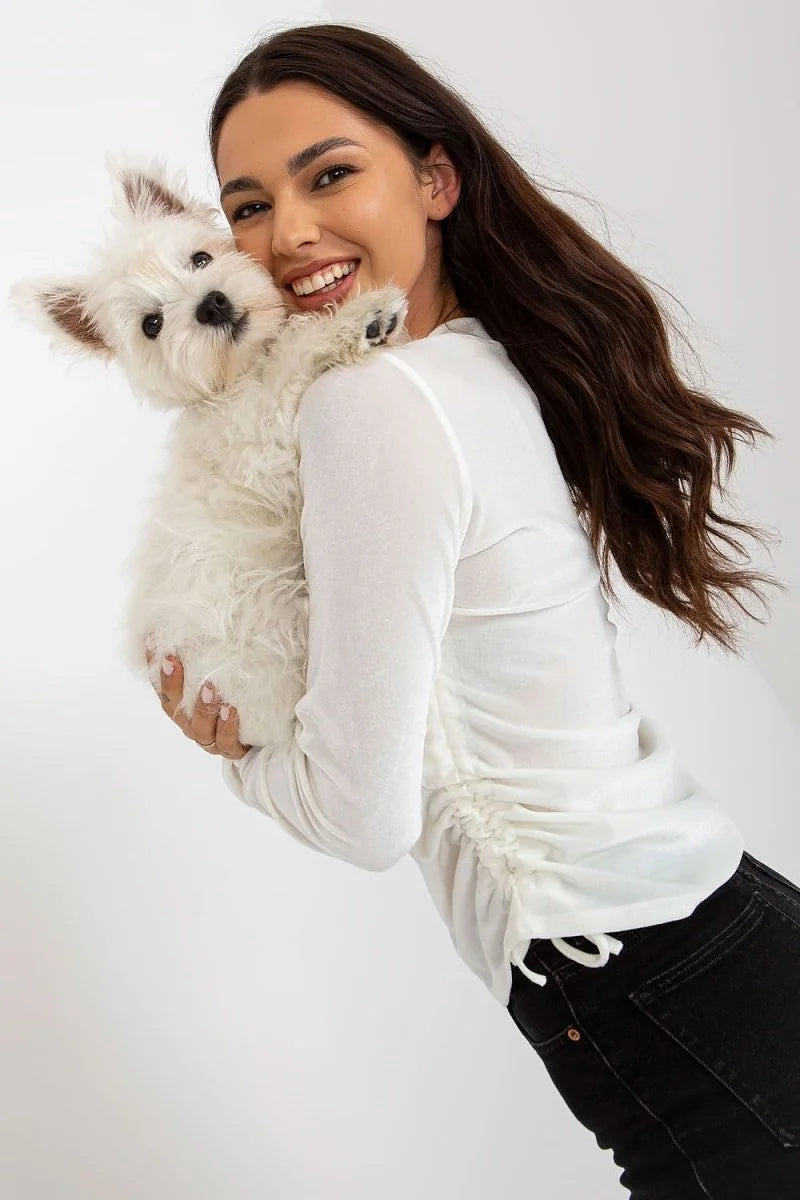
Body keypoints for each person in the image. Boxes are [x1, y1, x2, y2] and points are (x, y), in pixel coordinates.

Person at [150, 22, 800, 1197]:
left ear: (434, 180)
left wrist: (240, 748)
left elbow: (363, 816)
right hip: (717, 934)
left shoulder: (373, 404)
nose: (287, 233)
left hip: (644, 974)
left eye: (329, 174)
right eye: (246, 205)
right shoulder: (471, 363)